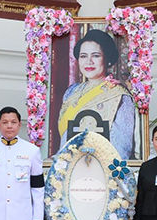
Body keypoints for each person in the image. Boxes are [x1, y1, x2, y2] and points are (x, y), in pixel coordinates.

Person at [57, 29, 137, 159]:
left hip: (103, 169)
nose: (89, 62)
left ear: (107, 59)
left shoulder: (119, 95)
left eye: (95, 55)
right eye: (83, 56)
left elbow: (122, 148)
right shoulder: (71, 92)